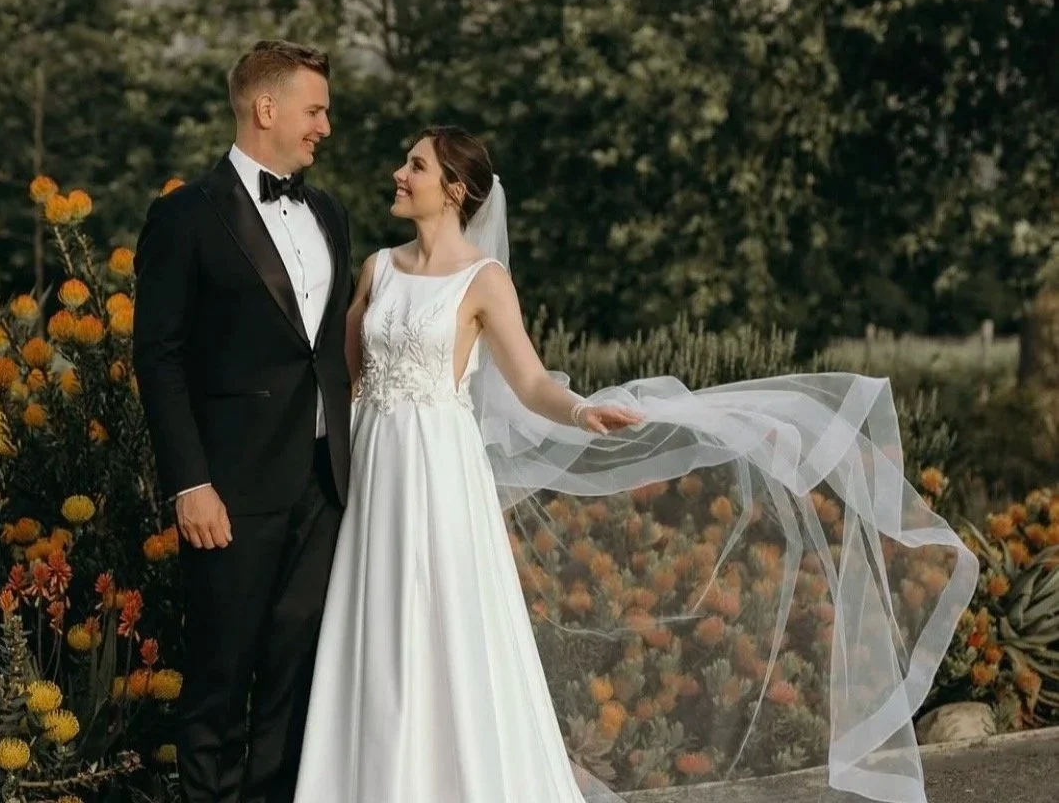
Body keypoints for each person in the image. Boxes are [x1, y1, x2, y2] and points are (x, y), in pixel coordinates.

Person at [292, 126, 977, 803]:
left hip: (437, 472)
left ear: (455, 188)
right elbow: (345, 379)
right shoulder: (378, 268)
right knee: (374, 621)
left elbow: (529, 382)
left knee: (444, 624)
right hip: (378, 467)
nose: (398, 175)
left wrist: (581, 411)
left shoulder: (483, 280)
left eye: (414, 165)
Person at [132, 40, 353, 803]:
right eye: (315, 109)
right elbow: (157, 358)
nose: (326, 125)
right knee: (220, 687)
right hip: (229, 490)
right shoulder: (184, 216)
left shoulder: (330, 211)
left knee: (296, 688)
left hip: (326, 488)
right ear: (268, 108)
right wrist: (190, 482)